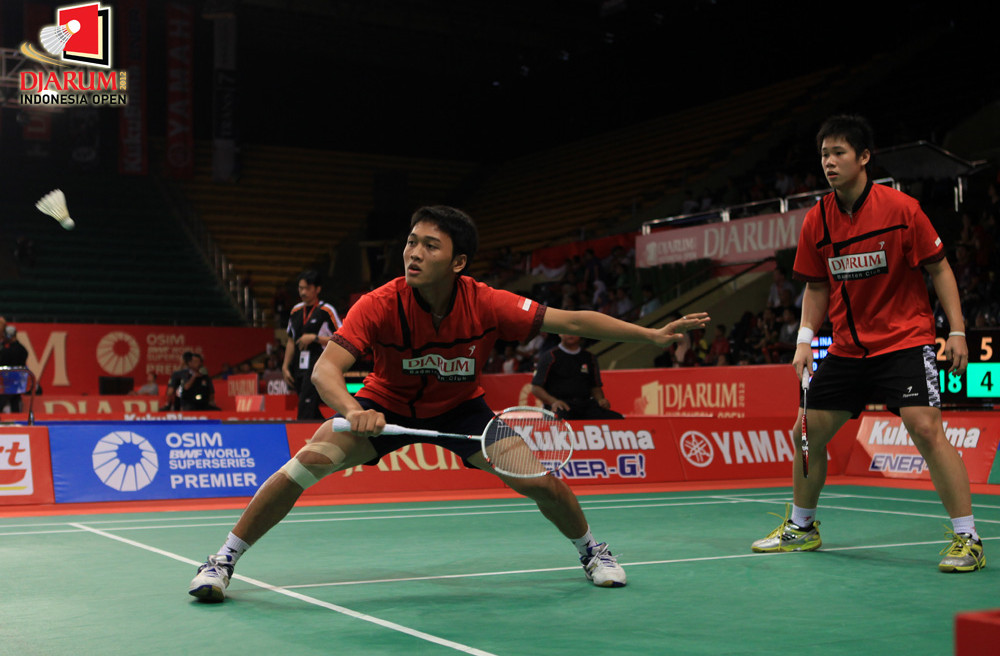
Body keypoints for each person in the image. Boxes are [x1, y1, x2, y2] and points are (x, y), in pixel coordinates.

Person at [189, 205, 709, 601]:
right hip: (384, 405)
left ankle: (592, 551)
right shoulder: (378, 304)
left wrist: (651, 334)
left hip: (463, 412)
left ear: (458, 261)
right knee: (303, 466)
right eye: (411, 242)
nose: (413, 253)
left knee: (539, 482)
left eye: (429, 246)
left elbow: (571, 321)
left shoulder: (486, 302)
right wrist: (353, 411)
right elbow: (326, 372)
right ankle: (222, 561)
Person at [750, 115, 983, 572]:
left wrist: (956, 331)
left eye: (838, 153)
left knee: (925, 428)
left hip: (904, 340)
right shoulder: (817, 219)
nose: (829, 162)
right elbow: (816, 286)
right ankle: (802, 526)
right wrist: (803, 339)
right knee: (806, 432)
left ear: (863, 158)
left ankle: (968, 538)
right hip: (849, 349)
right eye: (824, 154)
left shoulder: (902, 210)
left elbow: (939, 268)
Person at [282, 270, 342, 420]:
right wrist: (285, 366)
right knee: (310, 407)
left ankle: (301, 433)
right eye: (301, 288)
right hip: (299, 366)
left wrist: (315, 338)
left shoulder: (326, 310)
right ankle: (327, 429)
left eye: (307, 288)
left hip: (318, 364)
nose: (303, 292)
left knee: (305, 407)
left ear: (317, 289)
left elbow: (342, 339)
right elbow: (291, 340)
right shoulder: (295, 311)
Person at [530, 334, 624, 420]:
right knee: (559, 417)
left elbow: (595, 386)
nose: (570, 334)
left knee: (616, 418)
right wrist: (554, 402)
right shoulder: (549, 356)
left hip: (585, 405)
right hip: (560, 405)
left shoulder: (589, 357)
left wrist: (600, 400)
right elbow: (536, 388)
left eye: (574, 332)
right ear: (559, 334)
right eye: (566, 331)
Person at [0, 323, 30, 413]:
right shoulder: (23, 349)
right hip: (19, 384)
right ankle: (17, 420)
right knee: (15, 405)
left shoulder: (7, 351)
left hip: (8, 384)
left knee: (2, 403)